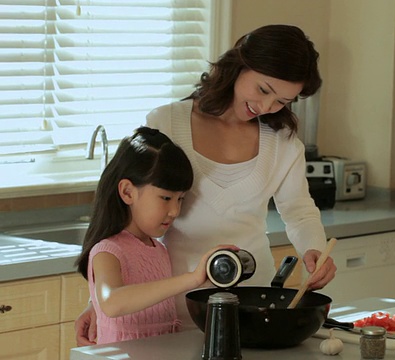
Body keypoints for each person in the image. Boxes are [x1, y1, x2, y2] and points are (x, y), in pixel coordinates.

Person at [75, 24, 337, 345]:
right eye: (263, 90)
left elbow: (299, 212)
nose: (267, 107)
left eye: (283, 101)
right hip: (170, 304)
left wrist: (314, 251)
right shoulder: (166, 123)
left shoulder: (283, 143)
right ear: (239, 65)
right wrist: (95, 301)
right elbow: (124, 221)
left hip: (251, 307)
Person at [75, 126, 237, 344]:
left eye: (180, 199)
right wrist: (192, 278)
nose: (175, 211)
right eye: (165, 198)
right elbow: (112, 302)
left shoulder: (159, 249)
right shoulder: (108, 250)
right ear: (127, 192)